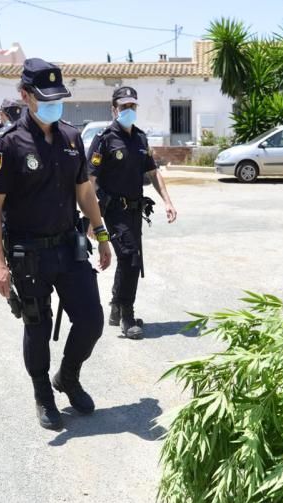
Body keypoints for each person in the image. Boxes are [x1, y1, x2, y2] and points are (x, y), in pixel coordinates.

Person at [0, 58, 113, 431]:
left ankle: (67, 377)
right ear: (25, 96)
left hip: (69, 247)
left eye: (58, 98)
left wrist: (101, 234)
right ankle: (43, 391)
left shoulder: (72, 138)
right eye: (45, 98)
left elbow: (85, 191)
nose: (54, 105)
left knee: (90, 320)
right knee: (36, 327)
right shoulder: (6, 144)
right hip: (28, 254)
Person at [86, 86, 177, 339]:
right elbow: (90, 180)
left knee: (129, 260)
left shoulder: (140, 139)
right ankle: (127, 315)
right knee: (130, 259)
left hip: (136, 211)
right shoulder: (104, 139)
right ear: (114, 109)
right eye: (124, 107)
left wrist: (168, 201)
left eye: (132, 106)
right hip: (113, 210)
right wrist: (92, 220)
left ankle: (116, 307)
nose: (129, 111)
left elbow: (152, 172)